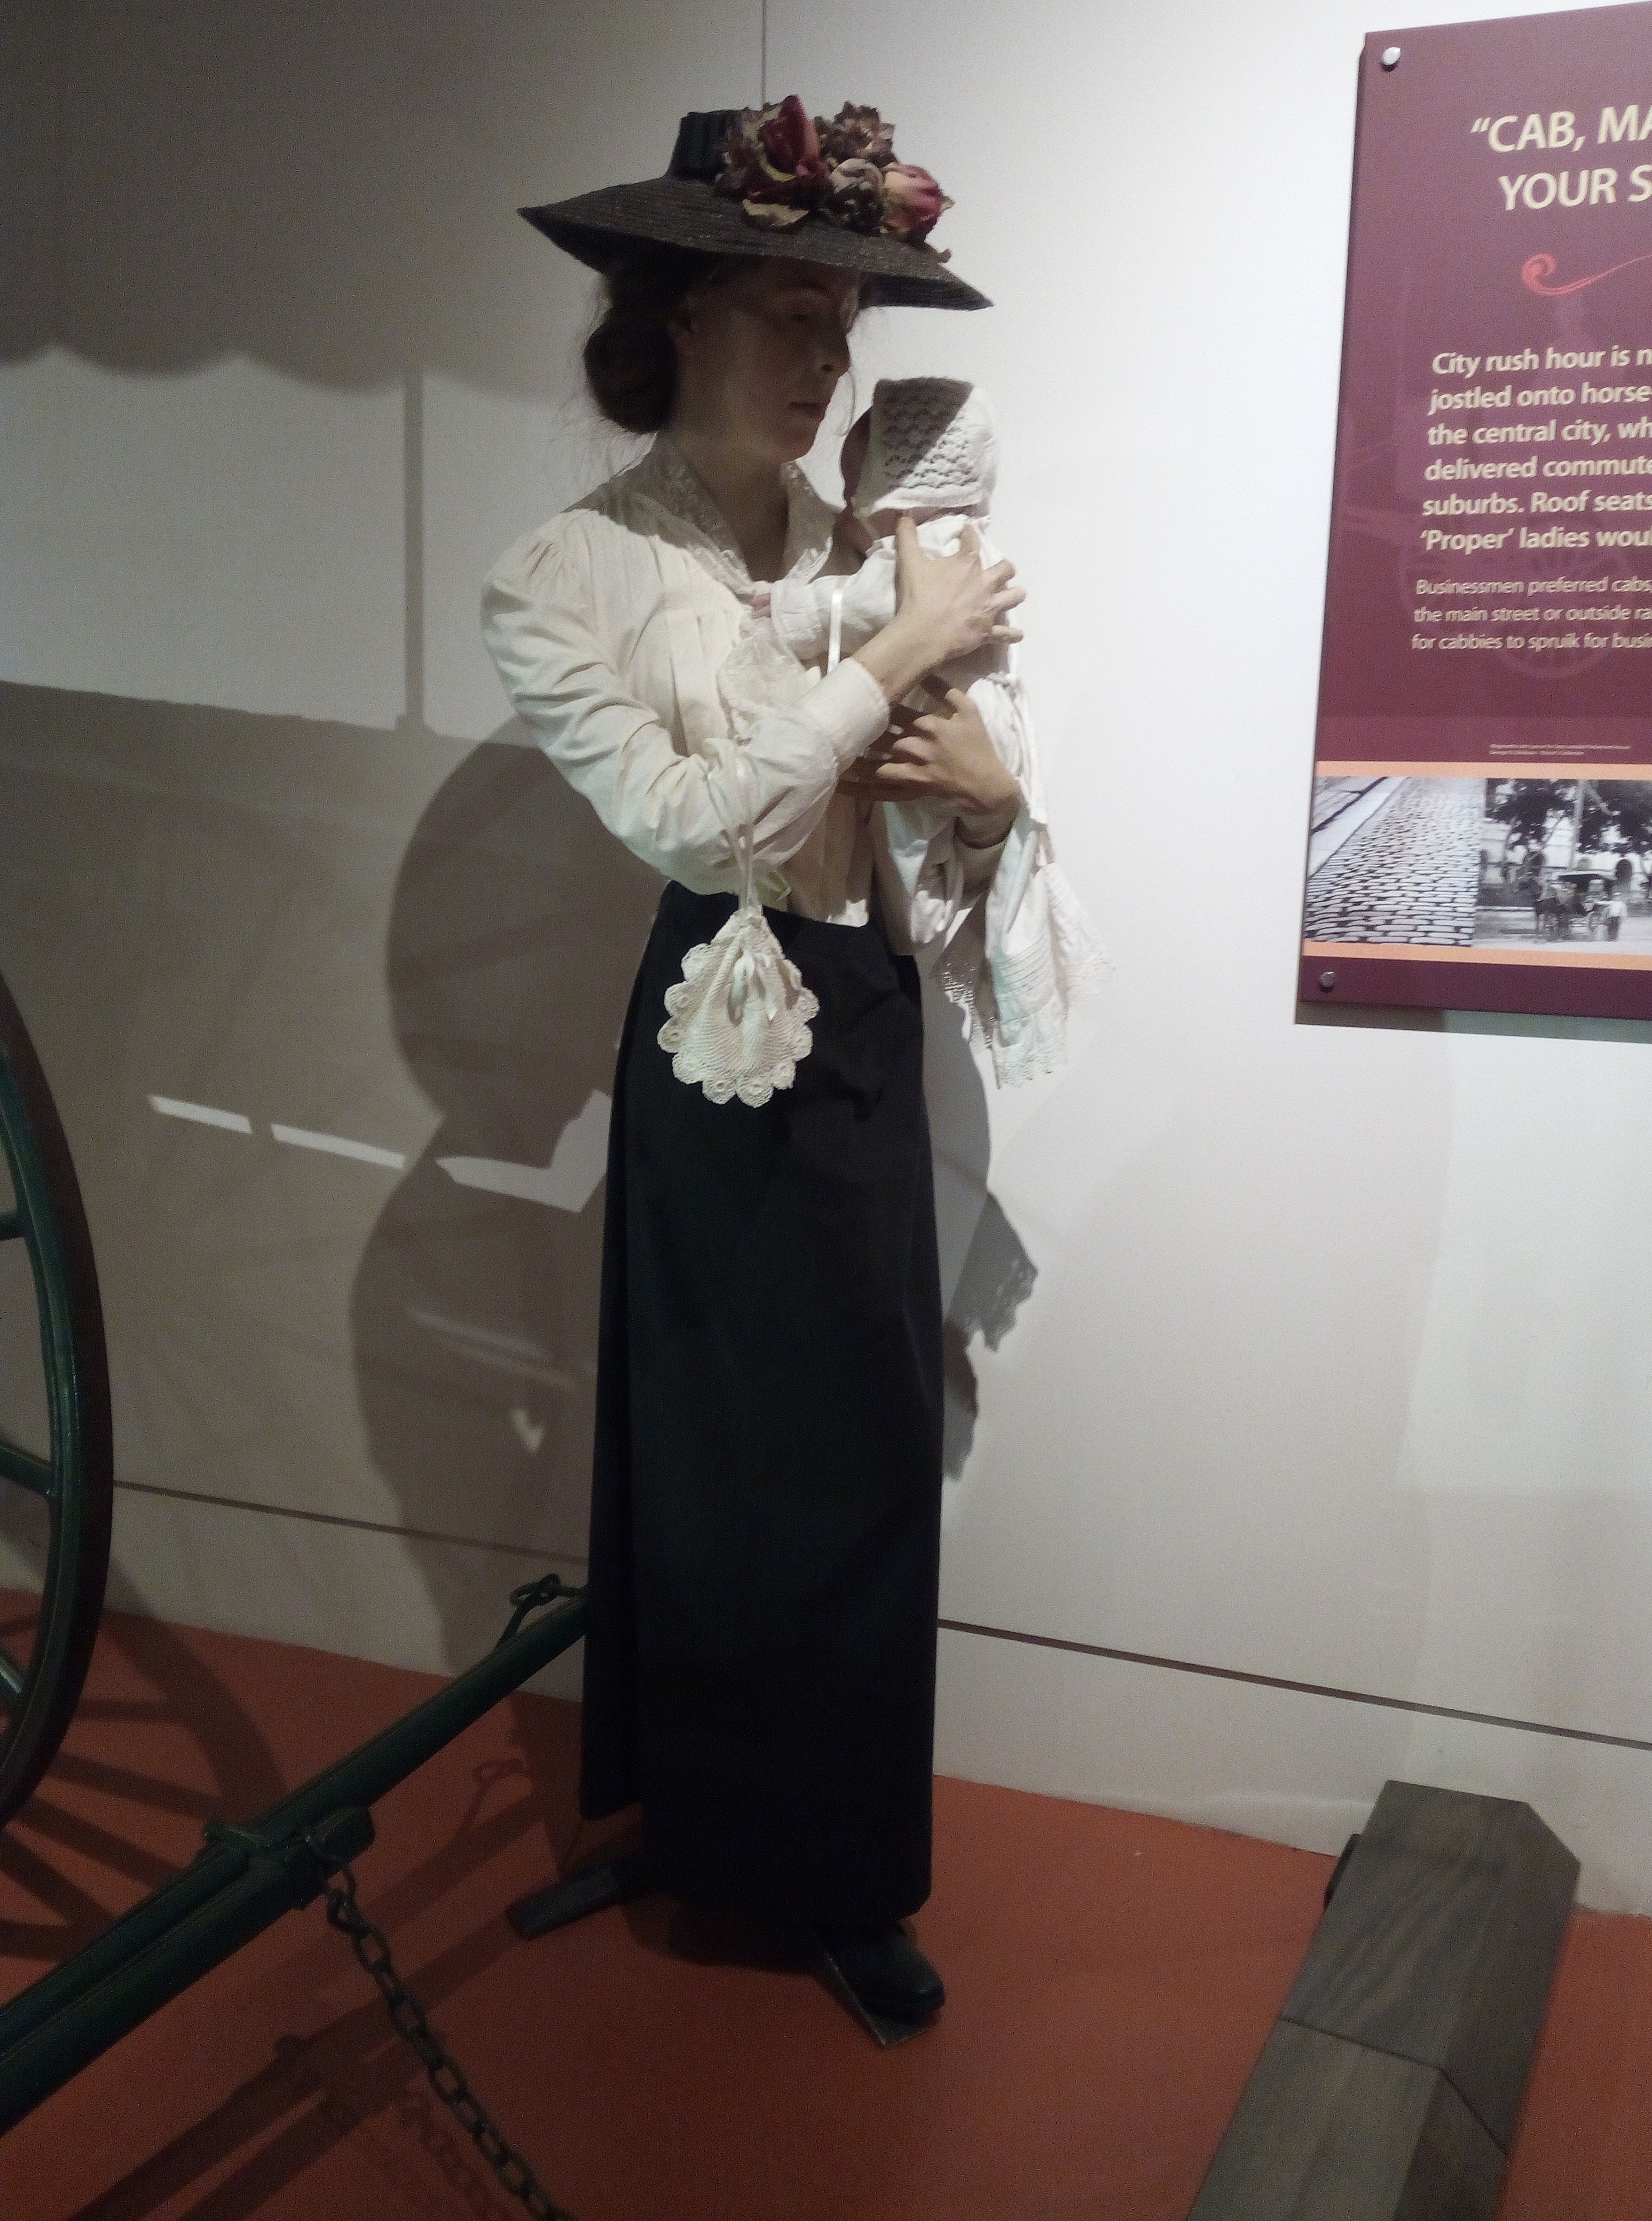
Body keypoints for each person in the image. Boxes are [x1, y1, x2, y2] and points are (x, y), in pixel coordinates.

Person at [482, 101, 1044, 2027]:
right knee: (700, 1431)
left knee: (865, 1449)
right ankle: (694, 1814)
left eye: (844, 328)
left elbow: (945, 811)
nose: (829, 365)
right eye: (795, 317)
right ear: (680, 318)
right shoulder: (564, 577)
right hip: (711, 1016)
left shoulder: (876, 543)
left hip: (857, 1005)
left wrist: (990, 796)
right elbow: (697, 821)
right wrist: (891, 659)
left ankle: (839, 1868)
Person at [765, 375, 1104, 1082]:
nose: (848, 505)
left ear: (893, 486)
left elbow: (858, 606)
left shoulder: (922, 554)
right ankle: (919, 913)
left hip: (940, 721)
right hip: (974, 719)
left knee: (909, 838)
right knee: (919, 832)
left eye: (856, 485)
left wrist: (780, 614)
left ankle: (914, 918)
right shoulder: (968, 545)